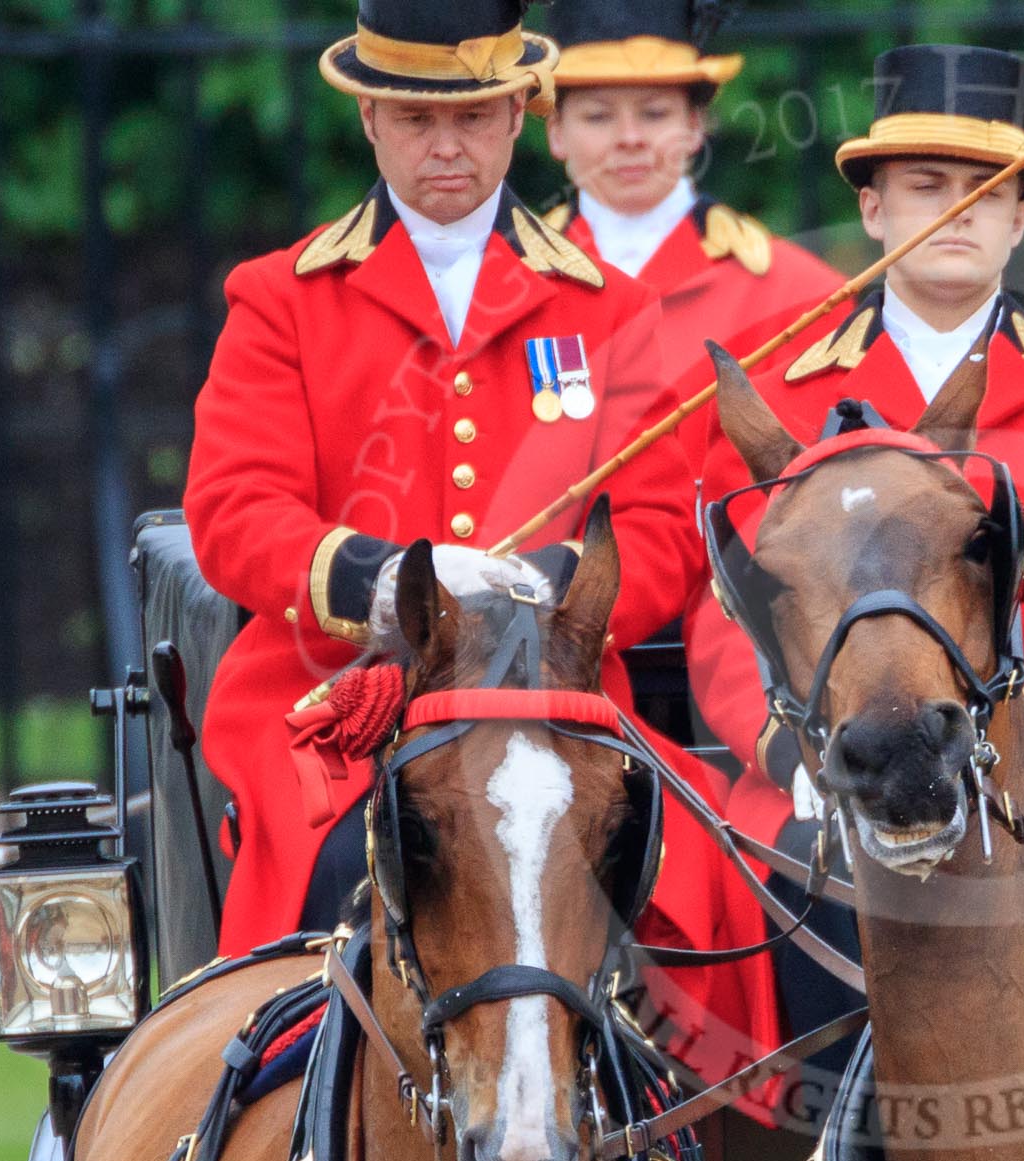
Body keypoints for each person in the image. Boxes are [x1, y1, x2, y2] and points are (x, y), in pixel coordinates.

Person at [183, 0, 775, 1075]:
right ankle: (303, 1128)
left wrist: (547, 581)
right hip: (343, 699)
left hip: (550, 699)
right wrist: (391, 579)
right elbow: (234, 513)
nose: (445, 147)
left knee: (703, 883)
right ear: (368, 118)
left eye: (473, 117)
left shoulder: (612, 310)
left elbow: (655, 528)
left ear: (518, 115)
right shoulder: (281, 299)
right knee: (345, 872)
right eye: (414, 120)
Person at [685, 44, 1024, 1055]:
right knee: (780, 912)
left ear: (1022, 217)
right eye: (926, 186)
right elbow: (729, 613)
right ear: (873, 210)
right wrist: (793, 751)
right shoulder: (774, 395)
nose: (958, 212)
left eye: (989, 191)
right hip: (830, 769)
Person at [540, 0, 843, 469]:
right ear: (555, 132)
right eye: (598, 116)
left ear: (696, 125)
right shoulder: (503, 282)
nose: (630, 138)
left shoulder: (800, 296)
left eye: (655, 113)